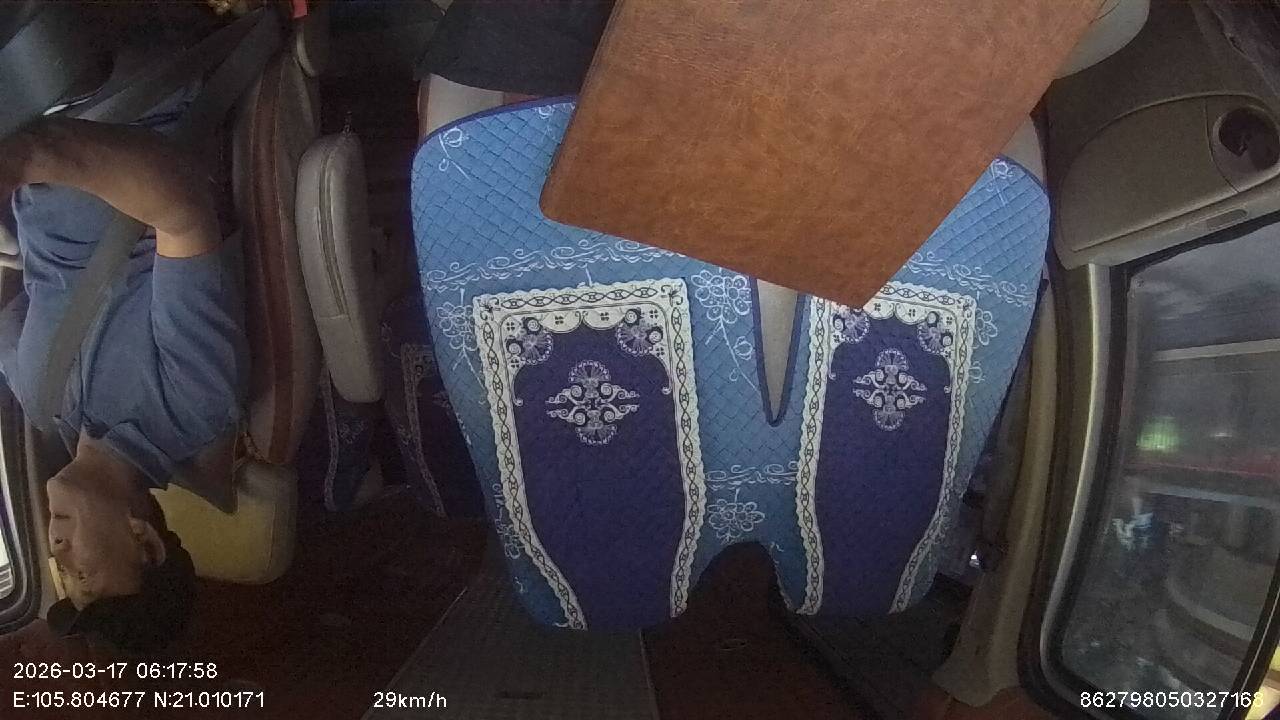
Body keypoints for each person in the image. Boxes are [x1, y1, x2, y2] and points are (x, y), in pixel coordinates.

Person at [0, 89, 248, 653]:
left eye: (61, 577)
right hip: (119, 92)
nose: (57, 552)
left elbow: (10, 290)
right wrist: (24, 157)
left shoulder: (41, 404)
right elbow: (183, 211)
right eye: (84, 575)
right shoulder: (192, 403)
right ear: (145, 543)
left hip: (27, 113)